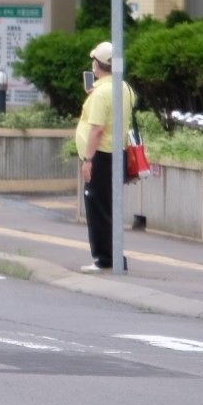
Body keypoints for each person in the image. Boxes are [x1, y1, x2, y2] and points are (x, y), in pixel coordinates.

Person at [77, 40, 139, 272]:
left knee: (98, 207)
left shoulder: (101, 94)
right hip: (118, 154)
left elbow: (97, 130)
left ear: (97, 65)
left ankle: (105, 259)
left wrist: (88, 160)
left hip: (101, 157)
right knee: (110, 207)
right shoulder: (123, 88)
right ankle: (115, 257)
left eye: (94, 61)